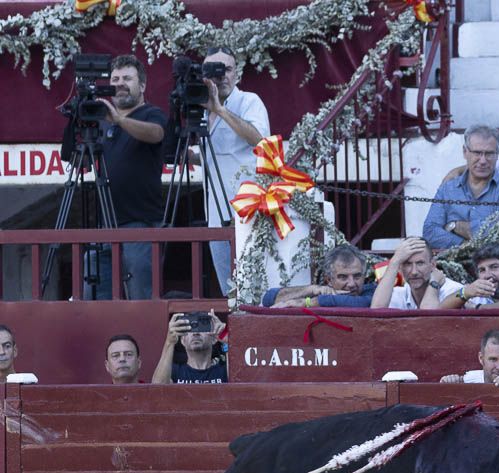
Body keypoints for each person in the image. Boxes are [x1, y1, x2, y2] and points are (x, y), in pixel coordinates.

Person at [90, 55, 167, 300]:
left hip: (142, 224)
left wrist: (120, 120)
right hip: (104, 226)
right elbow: (70, 154)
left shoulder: (152, 113)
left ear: (142, 85)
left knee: (141, 299)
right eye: (115, 79)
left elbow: (156, 134)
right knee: (95, 298)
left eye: (127, 78)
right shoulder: (101, 121)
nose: (120, 83)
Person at [196, 47, 269, 297]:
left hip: (249, 214)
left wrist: (221, 110)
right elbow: (212, 155)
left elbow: (259, 140)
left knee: (255, 291)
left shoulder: (249, 101)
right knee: (231, 293)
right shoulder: (202, 108)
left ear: (237, 73)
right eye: (213, 70)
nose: (221, 76)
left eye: (226, 69)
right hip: (216, 215)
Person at [422, 126, 499, 249]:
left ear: (498, 154)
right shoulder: (448, 189)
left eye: (489, 153)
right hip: (448, 264)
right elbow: (430, 232)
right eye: (477, 153)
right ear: (465, 152)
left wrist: (454, 226)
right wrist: (464, 246)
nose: (483, 160)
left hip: (492, 265)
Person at [262, 245, 376, 308]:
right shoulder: (322, 292)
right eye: (343, 277)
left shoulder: (372, 291)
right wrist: (311, 289)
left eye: (357, 276)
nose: (351, 284)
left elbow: (362, 303)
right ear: (329, 280)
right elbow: (269, 298)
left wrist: (307, 302)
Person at [370, 238, 462, 310]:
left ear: (433, 265)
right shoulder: (398, 294)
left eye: (420, 263)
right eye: (408, 264)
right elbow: (376, 311)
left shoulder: (453, 290)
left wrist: (434, 283)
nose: (414, 272)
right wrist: (395, 261)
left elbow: (429, 318)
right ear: (400, 268)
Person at [441, 243, 499, 310]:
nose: (488, 275)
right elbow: (441, 309)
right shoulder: (473, 291)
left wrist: (477, 308)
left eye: (494, 267)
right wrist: (464, 293)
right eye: (482, 270)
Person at [152, 310, 227, 384]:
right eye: (191, 328)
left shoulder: (225, 371)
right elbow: (157, 389)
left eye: (202, 327)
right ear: (183, 340)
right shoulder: (174, 372)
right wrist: (170, 341)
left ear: (214, 339)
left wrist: (226, 337)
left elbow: (238, 378)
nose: (196, 333)